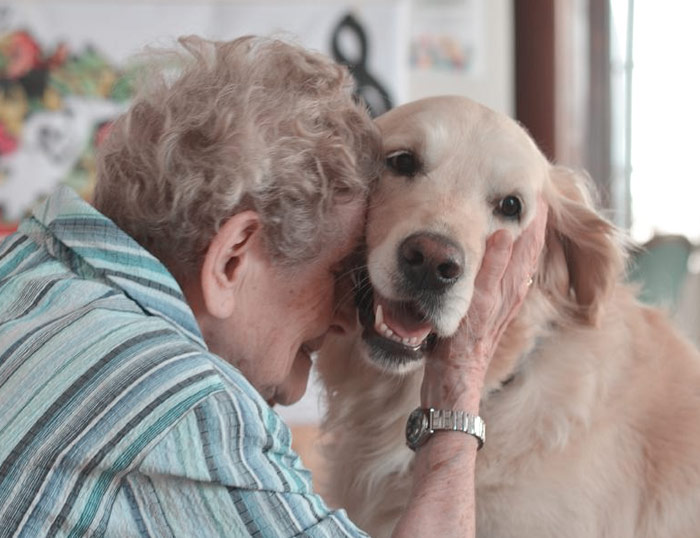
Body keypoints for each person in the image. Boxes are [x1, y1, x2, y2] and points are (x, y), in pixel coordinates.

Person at [0, 35, 546, 537]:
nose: (344, 319)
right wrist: (456, 392)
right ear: (232, 260)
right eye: (336, 273)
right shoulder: (194, 410)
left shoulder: (22, 267)